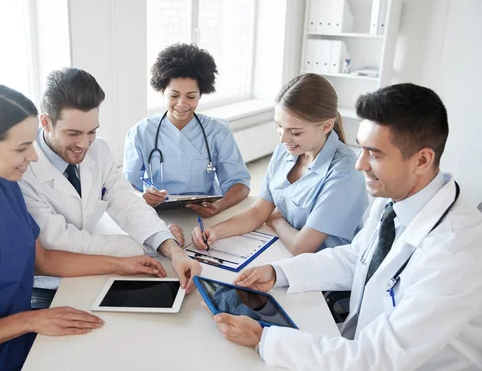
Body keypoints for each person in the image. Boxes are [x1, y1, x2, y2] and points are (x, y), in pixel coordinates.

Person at [202, 83, 482, 370]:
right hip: (356, 344)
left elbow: (377, 358)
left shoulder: (455, 253)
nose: (360, 164)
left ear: (422, 160)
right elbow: (355, 257)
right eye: (360, 148)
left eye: (374, 154)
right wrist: (278, 272)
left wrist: (264, 339)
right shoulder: (393, 201)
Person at [0, 84, 167, 371]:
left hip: (24, 342)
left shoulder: (7, 190)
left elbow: (44, 260)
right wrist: (30, 321)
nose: (34, 156)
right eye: (22, 148)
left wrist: (120, 265)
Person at [19, 68, 201, 292]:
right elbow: (58, 241)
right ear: (46, 123)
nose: (85, 144)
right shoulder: (22, 171)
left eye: (91, 132)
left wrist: (172, 249)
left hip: (98, 268)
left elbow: (128, 203)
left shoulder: (99, 150)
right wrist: (146, 247)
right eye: (73, 134)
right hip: (51, 285)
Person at [192, 74, 368, 255]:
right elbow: (259, 212)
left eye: (295, 132)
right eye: (279, 126)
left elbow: (302, 247)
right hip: (282, 248)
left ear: (326, 126)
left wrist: (276, 219)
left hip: (323, 266)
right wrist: (215, 231)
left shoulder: (345, 172)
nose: (283, 138)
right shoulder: (289, 148)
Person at [123, 43, 251, 217]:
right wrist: (141, 198)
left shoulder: (217, 131)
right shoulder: (140, 132)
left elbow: (240, 184)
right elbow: (126, 186)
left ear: (201, 94)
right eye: (174, 95)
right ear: (162, 91)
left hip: (205, 212)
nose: (182, 103)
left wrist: (220, 206)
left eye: (191, 96)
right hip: (156, 215)